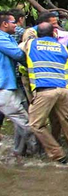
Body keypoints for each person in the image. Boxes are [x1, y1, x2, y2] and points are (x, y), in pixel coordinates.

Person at [26, 22, 68, 162]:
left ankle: (58, 154)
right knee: (67, 121)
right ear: (54, 34)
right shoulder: (63, 48)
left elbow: (17, 53)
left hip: (45, 90)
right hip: (64, 90)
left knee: (35, 124)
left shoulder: (31, 44)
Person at [0, 11, 39, 157]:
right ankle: (39, 155)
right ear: (4, 24)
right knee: (27, 123)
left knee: (21, 123)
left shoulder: (8, 37)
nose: (16, 25)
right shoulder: (1, 38)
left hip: (11, 85)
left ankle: (19, 154)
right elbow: (18, 54)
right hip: (3, 87)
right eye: (13, 22)